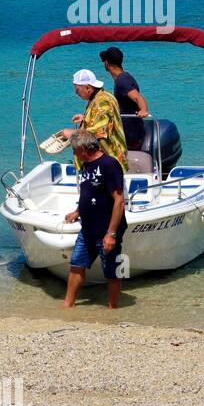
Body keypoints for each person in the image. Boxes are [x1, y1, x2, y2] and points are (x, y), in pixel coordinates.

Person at [62, 130, 127, 310]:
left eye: (75, 150)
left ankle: (113, 309)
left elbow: (119, 201)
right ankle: (68, 306)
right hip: (87, 229)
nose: (74, 153)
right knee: (76, 264)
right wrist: (77, 211)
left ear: (83, 148)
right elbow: (88, 192)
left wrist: (111, 234)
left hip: (106, 230)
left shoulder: (109, 165)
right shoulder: (86, 165)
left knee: (112, 272)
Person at [60, 69, 127, 171]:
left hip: (109, 163)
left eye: (77, 89)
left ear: (87, 87)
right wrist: (85, 119)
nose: (76, 93)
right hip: (103, 162)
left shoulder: (102, 101)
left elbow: (99, 132)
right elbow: (103, 120)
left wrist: (73, 133)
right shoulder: (101, 96)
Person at [99, 47, 150, 148]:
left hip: (129, 137)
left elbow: (138, 97)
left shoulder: (122, 82)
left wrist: (144, 110)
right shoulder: (125, 76)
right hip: (130, 132)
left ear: (106, 63)